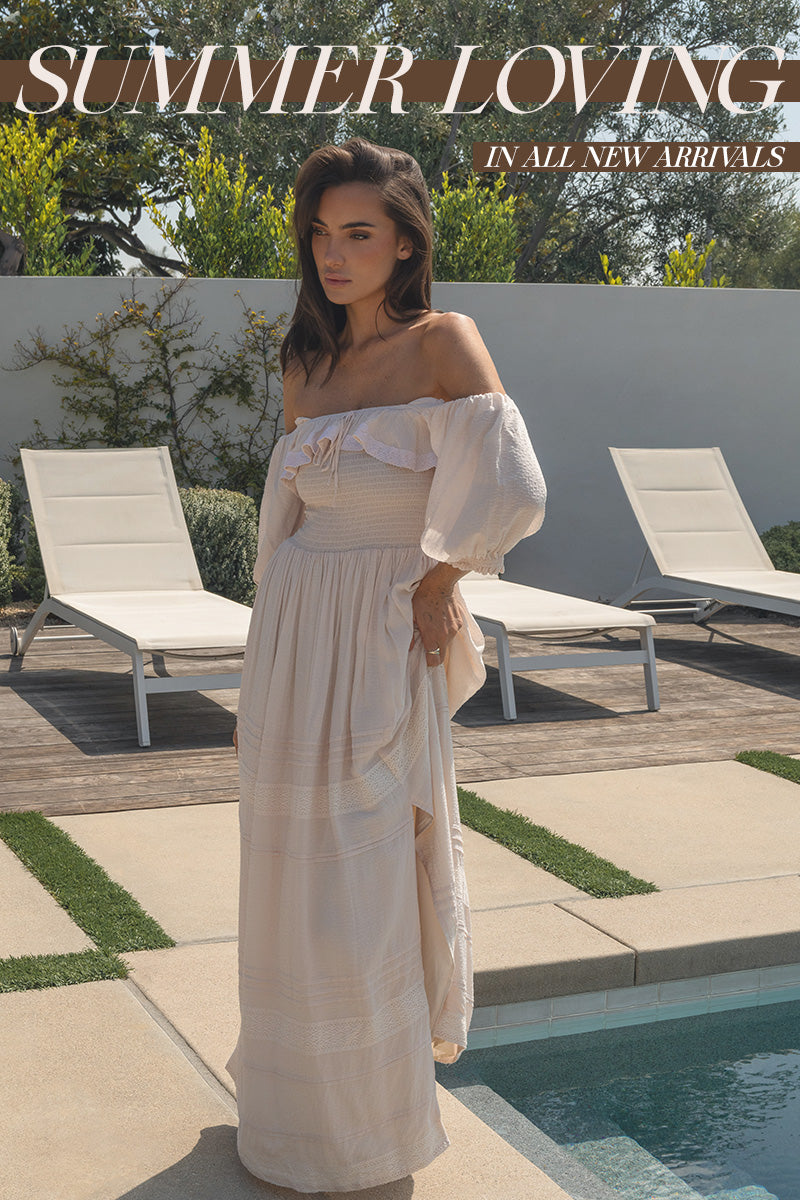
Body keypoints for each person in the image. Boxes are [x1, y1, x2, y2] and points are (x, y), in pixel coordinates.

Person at [226, 137, 547, 1193]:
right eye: (320, 233)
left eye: (357, 232)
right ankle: (289, 1122)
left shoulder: (443, 342)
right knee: (288, 867)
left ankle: (362, 1131)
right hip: (294, 629)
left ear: (405, 243)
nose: (332, 252)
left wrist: (434, 583)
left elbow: (512, 486)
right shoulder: (304, 362)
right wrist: (269, 638)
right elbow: (288, 512)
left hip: (375, 632)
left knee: (365, 870)